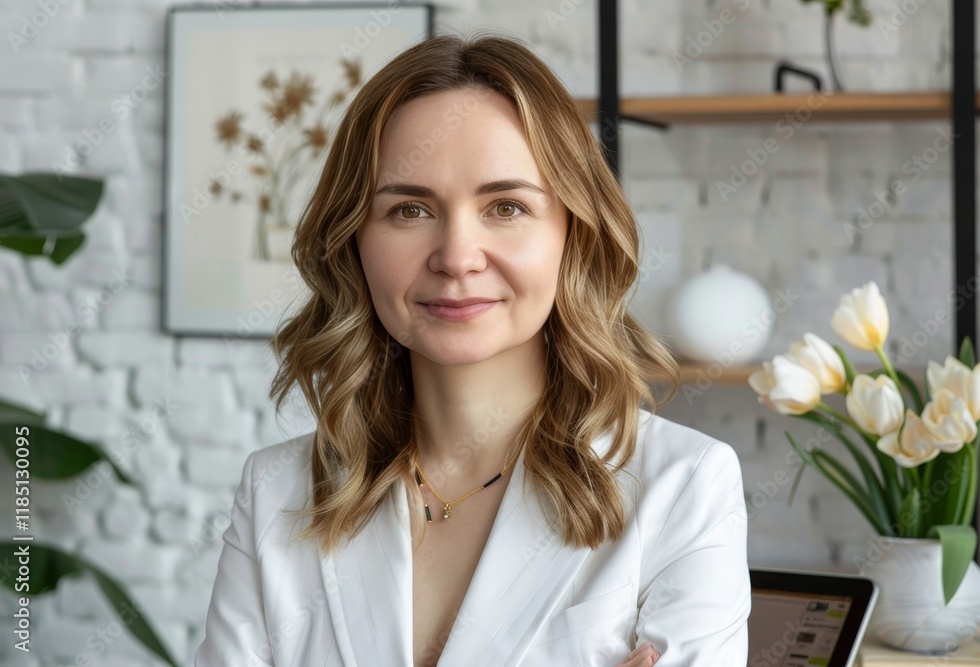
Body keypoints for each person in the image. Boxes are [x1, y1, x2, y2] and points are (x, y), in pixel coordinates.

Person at [195, 30, 750, 667]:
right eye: (409, 211)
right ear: (353, 242)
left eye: (506, 207)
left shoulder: (684, 484)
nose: (457, 257)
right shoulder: (275, 491)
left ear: (574, 234)